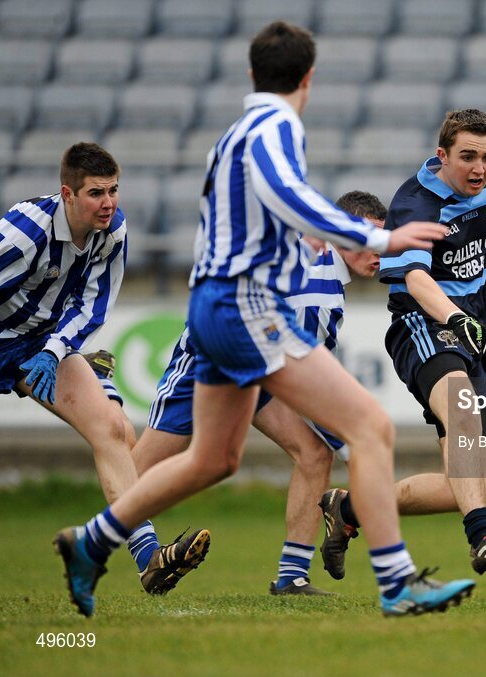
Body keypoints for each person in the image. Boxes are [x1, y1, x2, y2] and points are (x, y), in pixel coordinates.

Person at [54, 21, 473, 618]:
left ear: (253, 74)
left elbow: (250, 212)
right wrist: (377, 233)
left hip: (221, 305)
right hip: (245, 309)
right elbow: (288, 195)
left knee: (214, 460)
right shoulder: (278, 127)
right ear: (308, 79)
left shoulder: (235, 133)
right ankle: (398, 584)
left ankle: (89, 542)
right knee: (372, 428)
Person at [131, 190, 388, 596]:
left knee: (313, 453)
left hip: (258, 371)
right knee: (135, 469)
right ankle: (143, 555)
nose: (379, 249)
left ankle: (292, 576)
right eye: (370, 238)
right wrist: (352, 440)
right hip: (209, 363)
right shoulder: (315, 284)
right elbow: (308, 380)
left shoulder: (327, 276)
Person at [318, 109, 486, 580]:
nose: (479, 168)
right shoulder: (415, 204)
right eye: (468, 157)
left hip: (472, 331)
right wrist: (456, 318)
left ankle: (350, 508)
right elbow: (416, 277)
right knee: (460, 404)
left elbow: (473, 253)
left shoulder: (485, 192)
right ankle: (485, 539)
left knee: (464, 486)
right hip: (423, 326)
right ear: (443, 155)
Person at [0, 143, 206, 595]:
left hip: (36, 343)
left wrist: (53, 350)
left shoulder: (113, 231)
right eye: (95, 193)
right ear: (68, 194)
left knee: (111, 427)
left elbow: (92, 306)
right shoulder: (25, 231)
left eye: (113, 190)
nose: (108, 203)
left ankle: (150, 560)